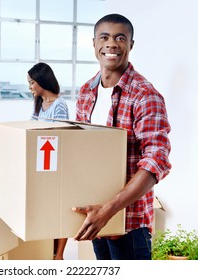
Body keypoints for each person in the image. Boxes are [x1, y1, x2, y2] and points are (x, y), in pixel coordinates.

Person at [72, 14, 172, 260]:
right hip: (97, 218)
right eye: (104, 37)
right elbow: (79, 150)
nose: (112, 44)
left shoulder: (145, 95)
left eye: (120, 38)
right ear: (94, 43)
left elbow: (156, 161)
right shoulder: (86, 91)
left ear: (131, 45)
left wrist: (109, 210)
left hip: (129, 224)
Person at [27, 62, 69, 260]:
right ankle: (46, 249)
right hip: (42, 163)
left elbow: (59, 136)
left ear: (43, 81)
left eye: (32, 82)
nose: (30, 87)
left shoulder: (59, 105)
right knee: (46, 209)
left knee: (58, 209)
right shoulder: (39, 104)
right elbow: (30, 129)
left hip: (56, 165)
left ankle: (59, 255)